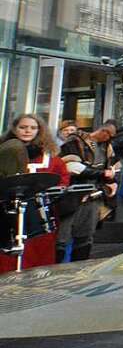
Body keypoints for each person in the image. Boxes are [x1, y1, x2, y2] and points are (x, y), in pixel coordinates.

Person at [0, 115, 70, 272]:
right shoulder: (4, 153)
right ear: (14, 129)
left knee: (39, 259)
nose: (27, 131)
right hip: (7, 216)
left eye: (32, 128)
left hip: (38, 215)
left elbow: (62, 180)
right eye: (23, 127)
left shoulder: (52, 159)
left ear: (40, 131)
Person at [58, 123, 117, 262]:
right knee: (62, 238)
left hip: (93, 197)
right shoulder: (75, 141)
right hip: (71, 197)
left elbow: (114, 171)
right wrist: (102, 173)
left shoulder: (107, 148)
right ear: (104, 131)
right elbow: (71, 166)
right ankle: (56, 272)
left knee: (85, 237)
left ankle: (80, 273)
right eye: (109, 134)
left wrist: (108, 185)